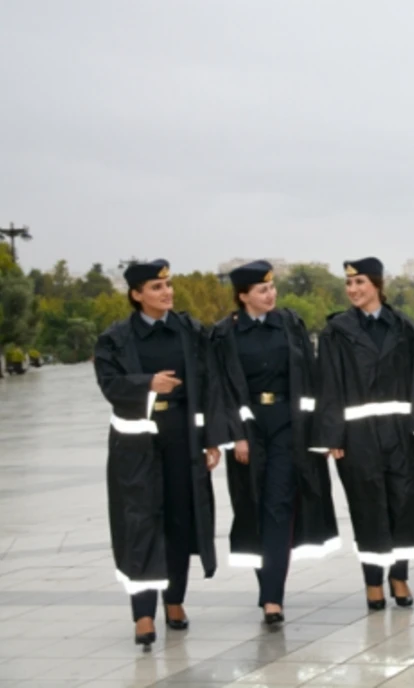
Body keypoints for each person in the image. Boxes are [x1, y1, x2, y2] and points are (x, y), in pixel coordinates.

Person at [93, 259, 222, 648]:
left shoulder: (190, 331)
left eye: (167, 284)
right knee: (141, 523)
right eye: (155, 287)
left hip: (182, 436)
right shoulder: (115, 338)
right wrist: (148, 383)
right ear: (136, 295)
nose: (166, 292)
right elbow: (110, 384)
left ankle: (175, 601)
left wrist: (212, 439)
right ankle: (143, 613)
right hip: (136, 444)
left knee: (180, 521)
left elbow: (212, 383)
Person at [209, 261, 339, 626]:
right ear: (243, 296)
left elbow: (310, 376)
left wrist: (318, 430)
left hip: (288, 427)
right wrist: (236, 434)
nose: (271, 295)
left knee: (279, 505)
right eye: (262, 290)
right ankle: (267, 587)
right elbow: (220, 387)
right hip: (249, 431)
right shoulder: (224, 335)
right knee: (254, 506)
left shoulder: (290, 324)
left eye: (272, 288)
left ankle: (272, 598)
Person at [311, 257, 414, 610]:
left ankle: (400, 576)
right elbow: (327, 385)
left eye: (360, 282)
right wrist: (332, 436)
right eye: (349, 284)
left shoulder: (403, 327)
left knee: (405, 504)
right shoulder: (337, 331)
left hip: (400, 431)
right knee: (368, 506)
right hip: (357, 435)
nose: (353, 290)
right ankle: (373, 581)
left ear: (377, 284)